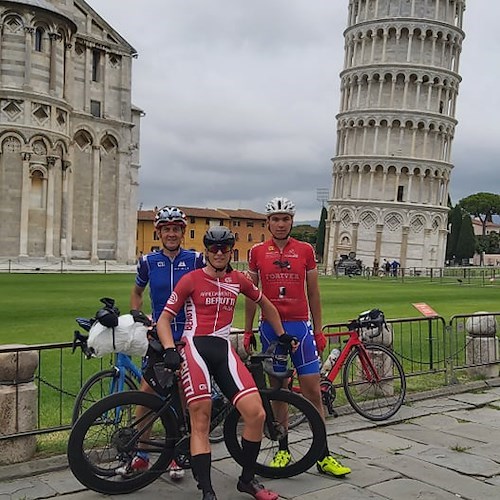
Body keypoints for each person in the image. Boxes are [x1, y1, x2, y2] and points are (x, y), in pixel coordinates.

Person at [156, 226, 295, 500]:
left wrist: (282, 334)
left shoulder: (239, 280)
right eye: (213, 248)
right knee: (201, 416)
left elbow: (266, 304)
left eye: (224, 248)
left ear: (231, 251)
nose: (219, 253)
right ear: (206, 251)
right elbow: (164, 319)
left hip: (222, 348)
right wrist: (171, 349)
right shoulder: (191, 279)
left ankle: (246, 480)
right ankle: (207, 491)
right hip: (194, 347)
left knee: (256, 414)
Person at [244, 196, 351, 477]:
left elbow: (313, 293)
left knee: (312, 391)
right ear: (267, 222)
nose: (280, 224)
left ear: (292, 221)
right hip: (270, 330)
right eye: (275, 219)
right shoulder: (257, 252)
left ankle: (323, 454)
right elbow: (251, 295)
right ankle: (282, 450)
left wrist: (318, 329)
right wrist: (247, 329)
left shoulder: (304, 250)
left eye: (285, 219)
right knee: (278, 392)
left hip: (300, 327)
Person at [130, 206, 204, 479]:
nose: (171, 233)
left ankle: (176, 453)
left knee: (184, 396)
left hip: (186, 336)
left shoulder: (195, 259)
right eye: (166, 229)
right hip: (160, 338)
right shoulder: (149, 262)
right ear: (159, 232)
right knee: (147, 392)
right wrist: (139, 315)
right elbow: (137, 292)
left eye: (176, 229)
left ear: (183, 233)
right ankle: (141, 453)